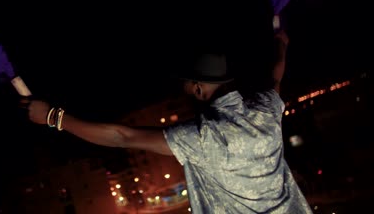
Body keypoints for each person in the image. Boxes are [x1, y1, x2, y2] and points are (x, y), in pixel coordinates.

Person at [25, 29, 313, 213]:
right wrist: (280, 42)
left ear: (199, 90)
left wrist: (54, 117)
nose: (183, 90)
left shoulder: (204, 137)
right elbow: (277, 73)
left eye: (186, 86)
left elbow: (121, 136)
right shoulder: (265, 108)